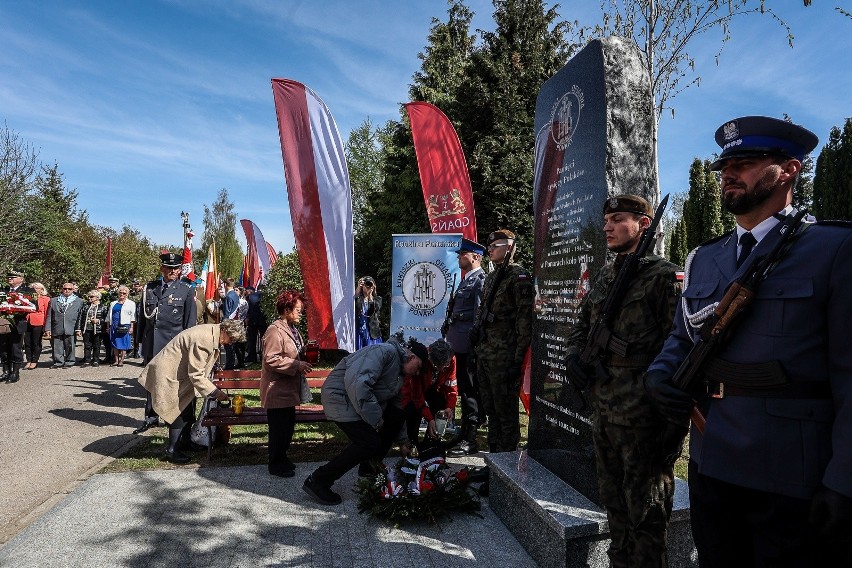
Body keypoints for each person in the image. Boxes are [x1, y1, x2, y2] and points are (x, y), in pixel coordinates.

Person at [644, 116, 852, 566]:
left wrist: (844, 480)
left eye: (747, 162)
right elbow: (682, 336)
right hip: (711, 458)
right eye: (725, 165)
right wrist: (660, 375)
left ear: (790, 169)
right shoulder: (705, 257)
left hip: (792, 472)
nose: (729, 173)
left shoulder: (833, 249)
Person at [565, 195, 682, 567]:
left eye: (617, 219)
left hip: (643, 416)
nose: (607, 227)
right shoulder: (606, 274)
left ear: (643, 224)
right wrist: (574, 356)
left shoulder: (664, 277)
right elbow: (583, 326)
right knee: (613, 504)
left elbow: (679, 348)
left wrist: (672, 427)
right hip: (604, 410)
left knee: (646, 512)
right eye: (606, 220)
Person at [302, 337, 428, 505]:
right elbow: (359, 386)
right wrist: (377, 422)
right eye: (418, 367)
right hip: (340, 398)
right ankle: (318, 480)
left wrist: (404, 441)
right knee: (368, 442)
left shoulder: (399, 374)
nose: (417, 373)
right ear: (411, 357)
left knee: (395, 417)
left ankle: (369, 467)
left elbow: (397, 409)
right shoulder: (385, 352)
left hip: (357, 402)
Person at [138, 320, 244, 463]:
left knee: (187, 408)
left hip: (178, 373)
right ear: (225, 330)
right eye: (231, 339)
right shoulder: (205, 339)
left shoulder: (213, 333)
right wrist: (216, 393)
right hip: (169, 373)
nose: (229, 343)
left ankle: (186, 441)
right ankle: (172, 450)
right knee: (176, 411)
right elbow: (196, 374)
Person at [473, 229, 534, 454]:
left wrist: (517, 361)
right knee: (491, 411)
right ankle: (494, 459)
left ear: (509, 248)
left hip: (504, 357)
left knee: (506, 412)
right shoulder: (491, 277)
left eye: (494, 246)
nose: (490, 250)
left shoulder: (519, 278)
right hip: (486, 353)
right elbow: (483, 310)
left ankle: (507, 461)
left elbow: (524, 322)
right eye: (489, 246)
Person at [136, 252, 198, 431]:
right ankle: (150, 417)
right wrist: (139, 343)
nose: (172, 271)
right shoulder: (150, 288)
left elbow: (189, 323)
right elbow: (143, 319)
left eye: (176, 268)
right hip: (151, 343)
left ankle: (170, 417)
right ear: (162, 268)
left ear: (180, 270)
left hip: (172, 347)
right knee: (150, 382)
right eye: (169, 268)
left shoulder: (186, 289)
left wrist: (187, 349)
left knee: (171, 384)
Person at [260, 290, 312, 478]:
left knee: (287, 428)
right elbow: (271, 360)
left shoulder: (292, 329)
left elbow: (291, 352)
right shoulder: (274, 330)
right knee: (279, 430)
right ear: (287, 309)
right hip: (277, 390)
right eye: (298, 309)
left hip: (288, 390)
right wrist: (297, 364)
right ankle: (275, 464)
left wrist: (306, 353)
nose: (300, 313)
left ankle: (282, 457)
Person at [444, 238, 487, 456]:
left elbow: (479, 316)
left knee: (470, 393)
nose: (459, 257)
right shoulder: (465, 280)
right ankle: (464, 433)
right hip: (458, 344)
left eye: (463, 254)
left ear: (475, 257)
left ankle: (470, 440)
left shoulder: (480, 281)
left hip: (468, 346)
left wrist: (474, 348)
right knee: (463, 391)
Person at [401, 338, 458, 456]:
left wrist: (449, 407)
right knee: (413, 410)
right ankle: (412, 444)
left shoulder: (451, 360)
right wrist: (429, 419)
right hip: (418, 392)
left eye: (445, 366)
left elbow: (451, 385)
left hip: (435, 390)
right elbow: (416, 395)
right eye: (439, 367)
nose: (442, 369)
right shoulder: (422, 361)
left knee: (440, 403)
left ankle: (432, 441)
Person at [2, 270, 35, 382]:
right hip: (3, 323)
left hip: (18, 323)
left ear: (21, 279)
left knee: (15, 347)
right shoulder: (3, 290)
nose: (10, 278)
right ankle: (6, 371)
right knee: (3, 348)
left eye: (13, 277)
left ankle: (15, 372)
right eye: (9, 277)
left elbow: (33, 305)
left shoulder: (28, 290)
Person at [48, 282, 84, 368]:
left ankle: (69, 362)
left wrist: (78, 328)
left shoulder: (79, 301)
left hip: (71, 326)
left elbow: (80, 316)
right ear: (62, 289)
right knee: (57, 346)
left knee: (70, 346)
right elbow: (49, 315)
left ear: (73, 290)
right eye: (65, 289)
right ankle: (58, 362)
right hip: (57, 326)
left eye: (69, 289)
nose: (67, 290)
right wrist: (47, 328)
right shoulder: (54, 300)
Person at [76, 289, 108, 367]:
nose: (89, 298)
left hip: (98, 329)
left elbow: (107, 319)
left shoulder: (103, 307)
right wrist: (78, 329)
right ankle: (87, 360)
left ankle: (96, 360)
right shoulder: (85, 307)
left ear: (97, 297)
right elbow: (80, 318)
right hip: (86, 328)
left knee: (96, 345)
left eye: (91, 297)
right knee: (87, 345)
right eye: (89, 296)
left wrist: (98, 320)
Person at [23, 282, 50, 370]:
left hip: (38, 322)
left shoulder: (45, 299)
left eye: (37, 288)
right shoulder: (27, 298)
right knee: (27, 342)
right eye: (33, 288)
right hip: (27, 321)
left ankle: (34, 361)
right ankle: (28, 360)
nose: (35, 289)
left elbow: (47, 313)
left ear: (42, 290)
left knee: (36, 342)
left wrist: (46, 326)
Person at [108, 285, 136, 367]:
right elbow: (108, 316)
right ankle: (116, 360)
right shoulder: (113, 303)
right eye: (120, 293)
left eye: (124, 293)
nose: (122, 294)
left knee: (123, 343)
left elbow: (133, 316)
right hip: (114, 324)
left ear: (127, 294)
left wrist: (131, 327)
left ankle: (121, 360)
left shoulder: (131, 303)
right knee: (115, 343)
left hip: (125, 325)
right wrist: (108, 326)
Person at [354, 276, 382, 350]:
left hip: (372, 332)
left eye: (370, 285)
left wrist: (370, 296)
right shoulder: (359, 299)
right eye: (367, 284)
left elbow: (376, 308)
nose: (369, 287)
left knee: (373, 354)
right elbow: (354, 304)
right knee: (359, 354)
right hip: (360, 331)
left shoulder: (377, 299)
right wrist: (358, 289)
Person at [245, 285, 267, 365]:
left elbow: (249, 309)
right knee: (264, 340)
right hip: (263, 321)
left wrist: (248, 318)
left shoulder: (251, 297)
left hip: (253, 321)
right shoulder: (267, 296)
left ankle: (252, 357)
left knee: (252, 340)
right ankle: (263, 356)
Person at [222, 278, 240, 369]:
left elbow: (227, 312)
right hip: (235, 322)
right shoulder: (236, 295)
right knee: (232, 346)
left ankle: (229, 366)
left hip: (229, 323)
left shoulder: (229, 296)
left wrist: (224, 325)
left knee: (228, 345)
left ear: (225, 285)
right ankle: (231, 364)